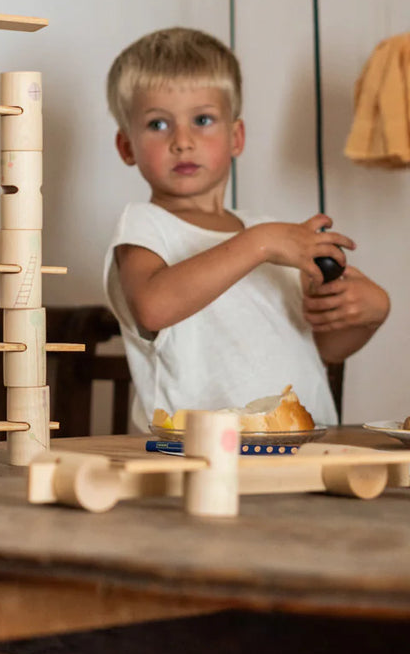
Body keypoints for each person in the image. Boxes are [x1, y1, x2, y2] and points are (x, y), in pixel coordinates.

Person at [104, 26, 389, 430]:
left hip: (301, 446)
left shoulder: (271, 236)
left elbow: (325, 345)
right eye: (158, 124)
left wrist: (369, 315)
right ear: (126, 147)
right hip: (193, 455)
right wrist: (259, 244)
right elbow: (154, 307)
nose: (182, 141)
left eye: (202, 119)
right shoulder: (145, 225)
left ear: (236, 136)